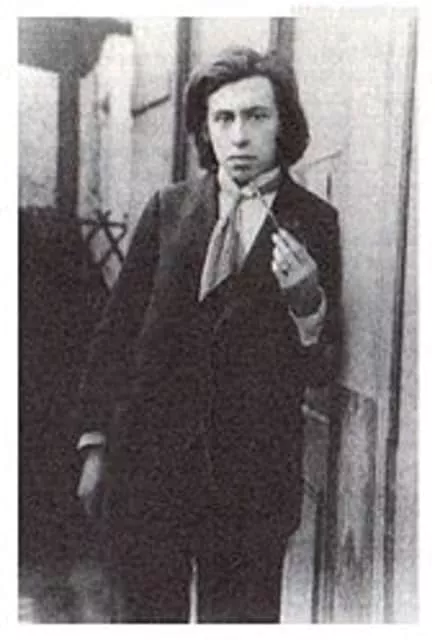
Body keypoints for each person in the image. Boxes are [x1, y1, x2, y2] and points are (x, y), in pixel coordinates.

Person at [75, 46, 342, 623]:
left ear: (283, 125)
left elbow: (322, 368)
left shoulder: (316, 222)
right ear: (206, 128)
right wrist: (94, 445)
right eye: (224, 118)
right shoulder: (167, 210)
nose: (239, 135)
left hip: (252, 491)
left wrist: (306, 302)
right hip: (151, 475)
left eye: (256, 116)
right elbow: (115, 333)